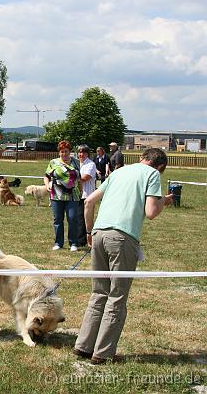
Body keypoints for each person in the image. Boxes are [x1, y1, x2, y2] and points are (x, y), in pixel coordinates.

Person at [74, 148, 173, 364]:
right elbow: (151, 212)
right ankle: (102, 353)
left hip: (99, 233)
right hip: (123, 238)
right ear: (160, 167)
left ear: (142, 158)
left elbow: (89, 201)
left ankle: (83, 346)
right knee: (117, 295)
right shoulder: (153, 175)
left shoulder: (118, 172)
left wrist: (90, 233)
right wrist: (163, 201)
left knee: (99, 292)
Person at [43, 140, 81, 251]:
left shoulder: (76, 162)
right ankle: (58, 243)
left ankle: (73, 243)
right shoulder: (53, 162)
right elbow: (46, 176)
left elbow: (79, 179)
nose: (64, 154)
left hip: (73, 195)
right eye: (62, 152)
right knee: (58, 219)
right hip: (56, 195)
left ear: (70, 151)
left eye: (66, 151)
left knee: (72, 218)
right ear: (59, 152)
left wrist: (82, 191)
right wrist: (47, 185)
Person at [76, 144, 96, 247]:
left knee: (85, 219)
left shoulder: (91, 164)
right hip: (77, 194)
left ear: (87, 154)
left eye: (83, 152)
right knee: (78, 217)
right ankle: (80, 239)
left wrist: (71, 177)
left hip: (87, 195)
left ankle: (82, 240)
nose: (81, 154)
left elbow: (84, 178)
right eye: (79, 152)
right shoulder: (76, 163)